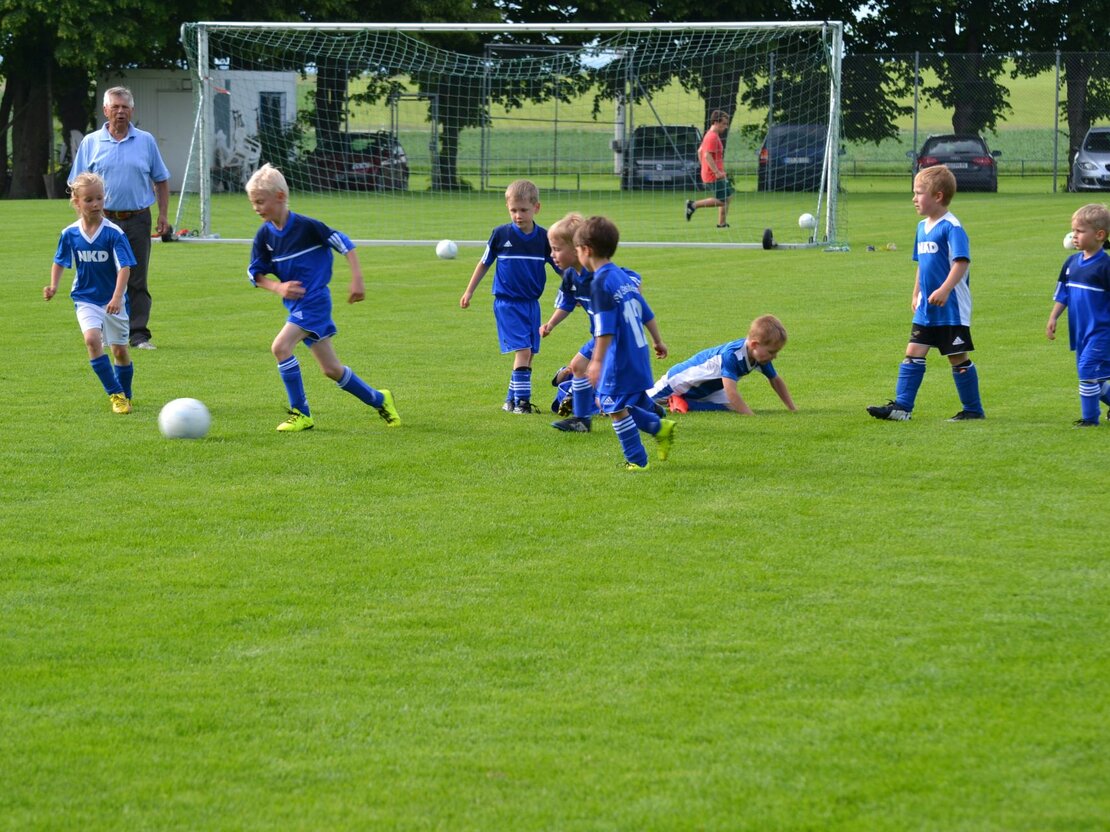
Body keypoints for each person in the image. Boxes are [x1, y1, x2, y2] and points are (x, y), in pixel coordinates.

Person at [245, 163, 400, 433]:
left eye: (260, 201)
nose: (256, 208)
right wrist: (278, 288)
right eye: (253, 203)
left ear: (280, 196)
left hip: (314, 301)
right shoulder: (264, 236)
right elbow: (254, 274)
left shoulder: (307, 227)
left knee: (280, 347)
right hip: (295, 305)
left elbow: (344, 244)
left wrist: (357, 279)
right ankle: (379, 399)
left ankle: (301, 414)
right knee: (331, 369)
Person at [867, 165, 985, 422]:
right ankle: (902, 407)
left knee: (957, 357)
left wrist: (945, 289)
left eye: (919, 193)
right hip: (926, 307)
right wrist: (915, 293)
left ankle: (973, 410)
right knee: (913, 352)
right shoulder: (922, 227)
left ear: (938, 196)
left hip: (951, 307)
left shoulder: (952, 227)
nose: (914, 198)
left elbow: (961, 262)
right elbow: (922, 264)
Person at [69, 86, 170, 350]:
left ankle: (138, 335)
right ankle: (103, 331)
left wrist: (163, 215)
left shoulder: (146, 141)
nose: (120, 111)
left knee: (136, 277)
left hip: (137, 219)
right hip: (102, 222)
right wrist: (84, 221)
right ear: (105, 110)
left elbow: (161, 180)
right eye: (115, 107)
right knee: (103, 277)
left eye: (125, 107)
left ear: (132, 110)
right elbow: (77, 185)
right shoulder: (91, 142)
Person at [578, 216, 674, 470]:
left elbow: (604, 328)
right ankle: (658, 425)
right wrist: (658, 340)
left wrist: (596, 362)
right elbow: (646, 311)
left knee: (611, 406)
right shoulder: (621, 276)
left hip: (619, 356)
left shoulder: (600, 283)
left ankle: (637, 460)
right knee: (629, 400)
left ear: (586, 250)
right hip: (638, 351)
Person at [460, 179, 559, 413]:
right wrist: (469, 291)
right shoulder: (500, 234)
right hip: (507, 304)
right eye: (513, 210)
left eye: (523, 210)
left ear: (536, 208)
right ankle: (522, 403)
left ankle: (510, 400)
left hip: (531, 304)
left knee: (529, 354)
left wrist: (578, 288)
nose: (518, 215)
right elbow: (484, 263)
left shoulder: (544, 239)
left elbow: (561, 267)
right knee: (523, 350)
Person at [44, 172, 138, 414]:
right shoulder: (70, 233)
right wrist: (53, 286)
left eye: (99, 198)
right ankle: (116, 395)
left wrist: (116, 297)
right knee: (92, 340)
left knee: (119, 351)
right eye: (89, 200)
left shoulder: (114, 233)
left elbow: (125, 267)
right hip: (85, 298)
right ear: (77, 202)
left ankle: (126, 394)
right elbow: (60, 260)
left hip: (113, 300)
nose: (96, 204)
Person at [647, 315, 797, 415]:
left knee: (731, 407)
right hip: (679, 381)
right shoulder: (731, 356)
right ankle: (673, 399)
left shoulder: (759, 356)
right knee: (642, 404)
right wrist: (750, 416)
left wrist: (792, 409)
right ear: (754, 345)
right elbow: (731, 391)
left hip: (707, 389)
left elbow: (775, 380)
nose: (774, 356)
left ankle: (685, 403)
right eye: (772, 352)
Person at [1045, 203, 1110, 427]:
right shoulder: (1071, 263)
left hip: (1102, 332)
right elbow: (1063, 293)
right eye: (1073, 230)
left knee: (1087, 371)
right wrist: (1053, 317)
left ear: (1099, 235)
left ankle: (1090, 419)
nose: (1074, 235)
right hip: (1081, 332)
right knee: (1094, 378)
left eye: (1080, 231)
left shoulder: (1105, 267)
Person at [541, 212, 604, 432]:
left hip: (614, 336)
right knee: (578, 366)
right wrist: (550, 324)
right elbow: (567, 303)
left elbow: (629, 279)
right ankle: (582, 420)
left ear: (577, 249)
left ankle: (650, 412)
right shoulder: (570, 276)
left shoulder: (599, 274)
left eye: (557, 249)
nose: (552, 255)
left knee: (612, 394)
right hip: (599, 336)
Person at [685, 110, 734, 229]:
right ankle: (693, 205)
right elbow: (707, 155)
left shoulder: (710, 134)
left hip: (714, 173)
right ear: (716, 122)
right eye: (724, 124)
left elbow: (700, 151)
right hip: (714, 175)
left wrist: (704, 168)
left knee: (728, 196)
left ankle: (722, 224)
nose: (726, 127)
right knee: (722, 200)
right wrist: (715, 171)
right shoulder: (712, 137)